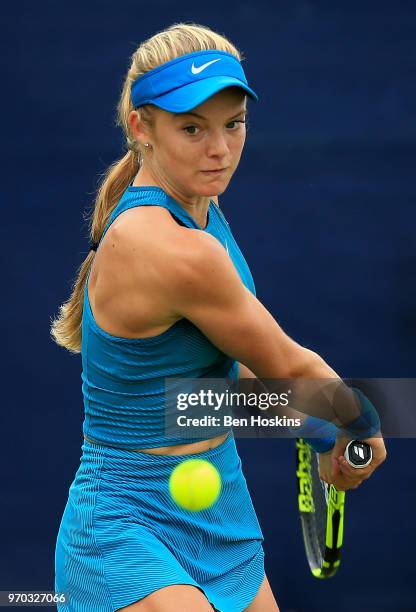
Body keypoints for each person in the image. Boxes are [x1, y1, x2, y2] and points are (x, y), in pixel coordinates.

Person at [51, 22, 386, 612]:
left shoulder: (201, 213)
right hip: (124, 526)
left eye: (233, 124)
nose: (220, 149)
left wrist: (313, 419)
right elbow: (289, 364)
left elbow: (200, 395)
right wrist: (359, 422)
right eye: (192, 129)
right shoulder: (168, 246)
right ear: (141, 128)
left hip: (217, 505)